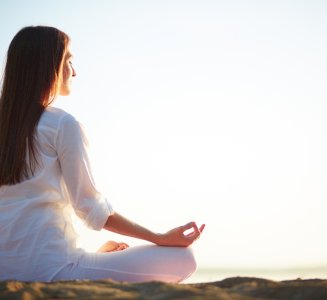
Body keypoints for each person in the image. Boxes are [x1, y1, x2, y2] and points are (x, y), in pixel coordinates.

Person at [0, 26, 205, 283]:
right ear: (48, 65)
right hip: (53, 270)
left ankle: (91, 262)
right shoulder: (62, 124)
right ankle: (88, 266)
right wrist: (160, 237)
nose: (74, 71)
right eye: (69, 60)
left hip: (5, 272)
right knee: (185, 259)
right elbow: (90, 208)